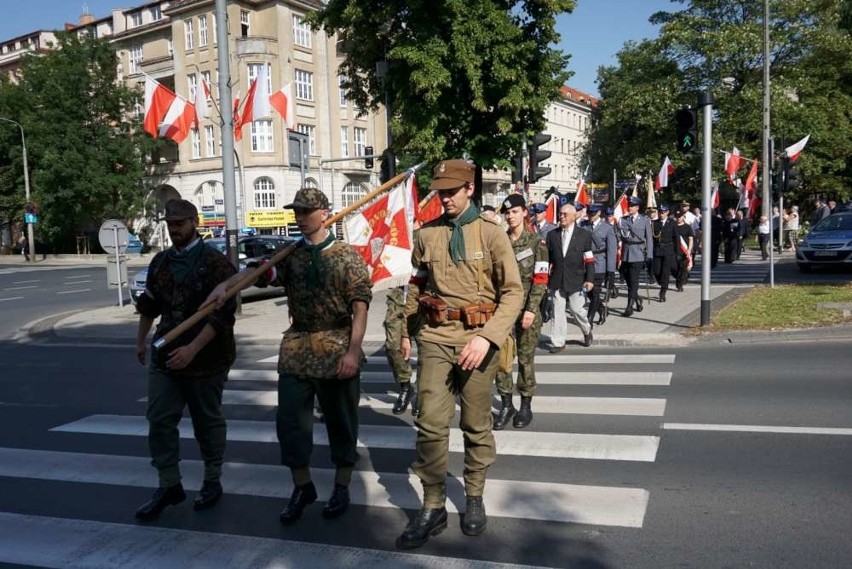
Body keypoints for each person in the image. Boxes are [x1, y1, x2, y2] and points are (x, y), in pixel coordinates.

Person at [208, 187, 372, 524]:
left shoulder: (346, 256)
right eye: (296, 211)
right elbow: (259, 273)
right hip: (297, 349)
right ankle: (302, 486)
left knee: (341, 422)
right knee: (290, 424)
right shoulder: (290, 254)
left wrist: (354, 351)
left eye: (307, 211)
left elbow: (360, 306)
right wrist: (227, 286)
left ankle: (342, 484)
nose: (300, 217)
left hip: (336, 346)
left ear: (324, 213)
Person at [397, 159, 522, 548]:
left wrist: (487, 338)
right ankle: (433, 503)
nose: (445, 198)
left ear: (469, 188)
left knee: (475, 424)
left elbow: (513, 292)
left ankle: (473, 496)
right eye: (440, 192)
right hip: (435, 336)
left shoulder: (492, 235)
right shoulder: (427, 235)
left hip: (477, 340)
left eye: (451, 191)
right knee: (431, 422)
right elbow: (416, 287)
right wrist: (406, 330)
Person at [134, 199, 237, 521]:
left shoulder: (215, 263)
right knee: (159, 417)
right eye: (170, 223)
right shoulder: (161, 262)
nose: (174, 228)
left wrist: (192, 349)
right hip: (165, 353)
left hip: (207, 357)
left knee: (206, 421)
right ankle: (168, 484)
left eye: (179, 223)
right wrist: (140, 341)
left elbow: (223, 316)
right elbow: (150, 305)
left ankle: (211, 480)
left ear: (195, 222)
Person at [492, 194, 548, 430]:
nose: (510, 216)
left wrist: (531, 310)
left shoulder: (537, 243)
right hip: (504, 310)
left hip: (526, 310)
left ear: (525, 212)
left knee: (525, 359)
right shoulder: (499, 242)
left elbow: (541, 278)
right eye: (507, 213)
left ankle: (525, 405)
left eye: (515, 211)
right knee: (502, 360)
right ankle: (506, 404)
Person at [546, 202, 595, 350]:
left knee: (576, 309)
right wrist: (543, 280)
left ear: (574, 216)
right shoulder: (552, 235)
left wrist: (590, 280)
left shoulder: (584, 235)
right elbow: (547, 259)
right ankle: (558, 342)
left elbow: (589, 260)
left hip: (577, 279)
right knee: (557, 311)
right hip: (557, 279)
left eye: (565, 214)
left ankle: (586, 330)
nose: (562, 217)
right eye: (560, 214)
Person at [617, 196, 653, 317]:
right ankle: (637, 299)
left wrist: (650, 254)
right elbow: (619, 236)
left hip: (638, 253)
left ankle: (629, 306)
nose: (630, 207)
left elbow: (649, 238)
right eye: (629, 205)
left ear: (637, 207)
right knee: (629, 282)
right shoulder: (623, 220)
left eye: (632, 206)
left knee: (633, 280)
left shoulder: (644, 220)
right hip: (626, 253)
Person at [384, 286, 416, 415]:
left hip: (426, 293)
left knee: (427, 348)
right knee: (393, 347)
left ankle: (424, 393)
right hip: (399, 295)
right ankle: (405, 386)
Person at [583, 204, 616, 324]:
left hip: (599, 263)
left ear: (598, 213)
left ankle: (589, 319)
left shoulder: (607, 228)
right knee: (589, 293)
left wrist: (611, 270)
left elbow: (612, 251)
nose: (590, 216)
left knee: (596, 291)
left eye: (593, 213)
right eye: (589, 213)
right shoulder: (583, 225)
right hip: (585, 263)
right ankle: (601, 309)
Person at [651, 204, 676, 302]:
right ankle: (662, 283)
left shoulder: (672, 223)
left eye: (663, 212)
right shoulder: (654, 223)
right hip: (657, 250)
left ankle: (663, 292)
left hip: (668, 250)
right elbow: (652, 238)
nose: (662, 214)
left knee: (665, 272)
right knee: (656, 271)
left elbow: (676, 238)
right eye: (660, 212)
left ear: (667, 212)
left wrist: (676, 253)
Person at [673, 210, 694, 291]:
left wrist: (689, 249)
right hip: (674, 250)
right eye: (677, 217)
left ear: (683, 217)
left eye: (680, 217)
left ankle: (680, 285)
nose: (678, 218)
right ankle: (679, 280)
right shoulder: (673, 226)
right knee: (675, 268)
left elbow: (690, 239)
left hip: (684, 251)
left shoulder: (687, 227)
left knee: (683, 268)